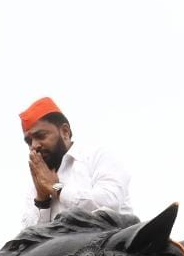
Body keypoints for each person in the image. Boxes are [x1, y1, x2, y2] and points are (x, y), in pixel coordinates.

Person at [18, 96, 132, 228]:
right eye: (29, 142)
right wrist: (42, 200)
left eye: (40, 136)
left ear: (65, 132)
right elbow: (30, 238)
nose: (34, 145)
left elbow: (109, 204)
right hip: (66, 248)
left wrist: (56, 187)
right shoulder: (37, 185)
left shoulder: (97, 156)